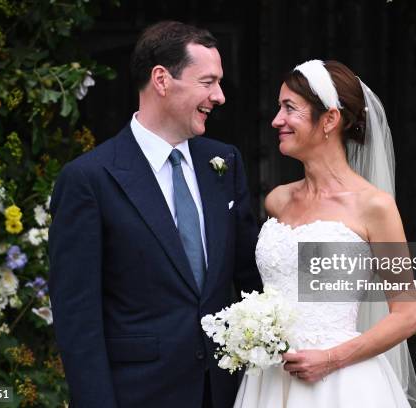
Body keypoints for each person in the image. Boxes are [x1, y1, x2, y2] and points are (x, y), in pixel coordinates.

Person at [48, 21, 262, 408]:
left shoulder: (225, 163)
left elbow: (254, 274)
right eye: (208, 82)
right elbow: (77, 319)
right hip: (139, 394)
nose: (220, 96)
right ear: (162, 79)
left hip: (226, 393)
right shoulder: (88, 179)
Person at [234, 60, 416, 407]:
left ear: (330, 120)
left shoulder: (374, 207)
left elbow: (407, 316)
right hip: (270, 383)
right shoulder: (278, 201)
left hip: (341, 383)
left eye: (289, 108)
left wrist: (331, 359)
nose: (277, 120)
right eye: (279, 107)